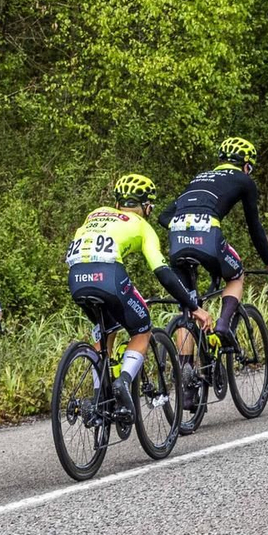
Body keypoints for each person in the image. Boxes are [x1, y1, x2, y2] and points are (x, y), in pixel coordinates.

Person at [64, 175, 199, 412]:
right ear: (147, 206)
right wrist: (192, 305)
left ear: (117, 203)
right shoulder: (143, 226)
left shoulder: (95, 213)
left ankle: (99, 397)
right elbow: (163, 272)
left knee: (105, 328)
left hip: (76, 278)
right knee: (142, 328)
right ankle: (123, 381)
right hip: (108, 276)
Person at [159, 136, 268, 353]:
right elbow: (254, 226)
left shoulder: (199, 178)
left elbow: (163, 217)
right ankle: (224, 325)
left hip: (177, 237)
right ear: (247, 165)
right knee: (235, 275)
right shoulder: (244, 180)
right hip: (207, 235)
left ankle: (186, 376)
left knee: (189, 307)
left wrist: (187, 229)